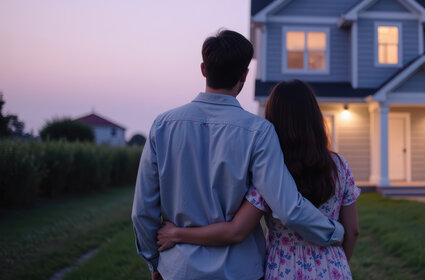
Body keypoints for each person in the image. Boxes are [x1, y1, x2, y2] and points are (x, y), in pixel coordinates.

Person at [132, 31, 344, 280]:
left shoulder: (162, 126)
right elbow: (288, 208)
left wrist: (154, 263)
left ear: (203, 69)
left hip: (179, 269)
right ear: (244, 75)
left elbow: (142, 211)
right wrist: (335, 233)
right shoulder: (259, 132)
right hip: (240, 271)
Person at [156, 79, 361, 280]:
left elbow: (236, 231)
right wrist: (337, 263)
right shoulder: (340, 167)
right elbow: (352, 231)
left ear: (274, 119)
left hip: (283, 270)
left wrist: (177, 234)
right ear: (314, 117)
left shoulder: (269, 171)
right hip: (335, 269)